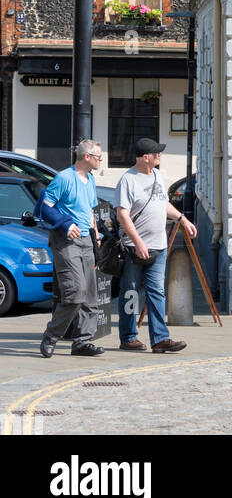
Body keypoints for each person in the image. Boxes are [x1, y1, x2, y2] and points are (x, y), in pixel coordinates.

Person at [115, 138, 197, 353]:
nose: (160, 156)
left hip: (159, 246)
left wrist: (182, 219)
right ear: (145, 157)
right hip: (134, 248)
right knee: (130, 293)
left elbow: (163, 203)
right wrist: (138, 242)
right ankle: (128, 337)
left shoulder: (158, 176)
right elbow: (122, 214)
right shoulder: (128, 180)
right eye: (156, 153)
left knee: (157, 292)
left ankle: (160, 339)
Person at [39, 138, 105, 358]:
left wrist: (95, 236)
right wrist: (66, 224)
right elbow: (43, 207)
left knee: (90, 296)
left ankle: (82, 343)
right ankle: (51, 336)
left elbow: (89, 211)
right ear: (86, 157)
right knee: (75, 294)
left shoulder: (90, 179)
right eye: (98, 156)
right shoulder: (64, 178)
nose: (101, 159)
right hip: (65, 242)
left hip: (86, 241)